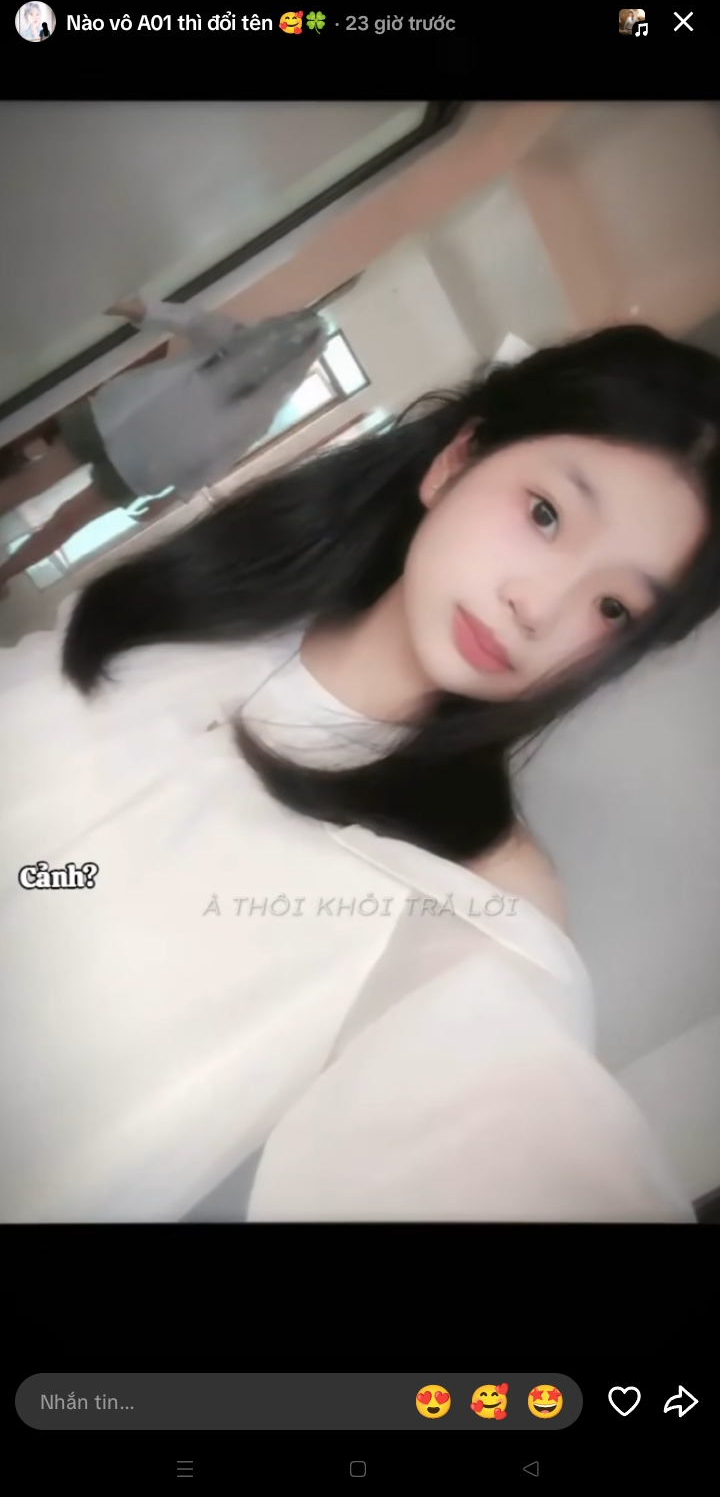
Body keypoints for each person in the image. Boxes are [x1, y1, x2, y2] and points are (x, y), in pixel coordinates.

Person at [0, 323, 718, 1224]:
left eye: (613, 607)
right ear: (456, 461)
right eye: (545, 515)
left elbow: (498, 1115)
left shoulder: (482, 900)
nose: (539, 607)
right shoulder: (189, 604)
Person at [0, 298, 328, 597]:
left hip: (142, 466)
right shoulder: (229, 336)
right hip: (114, 418)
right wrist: (133, 307)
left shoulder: (261, 411)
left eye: (295, 345)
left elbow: (220, 460)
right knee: (35, 483)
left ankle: (4, 574)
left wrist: (171, 499)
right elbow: (189, 319)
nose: (281, 346)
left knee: (68, 518)